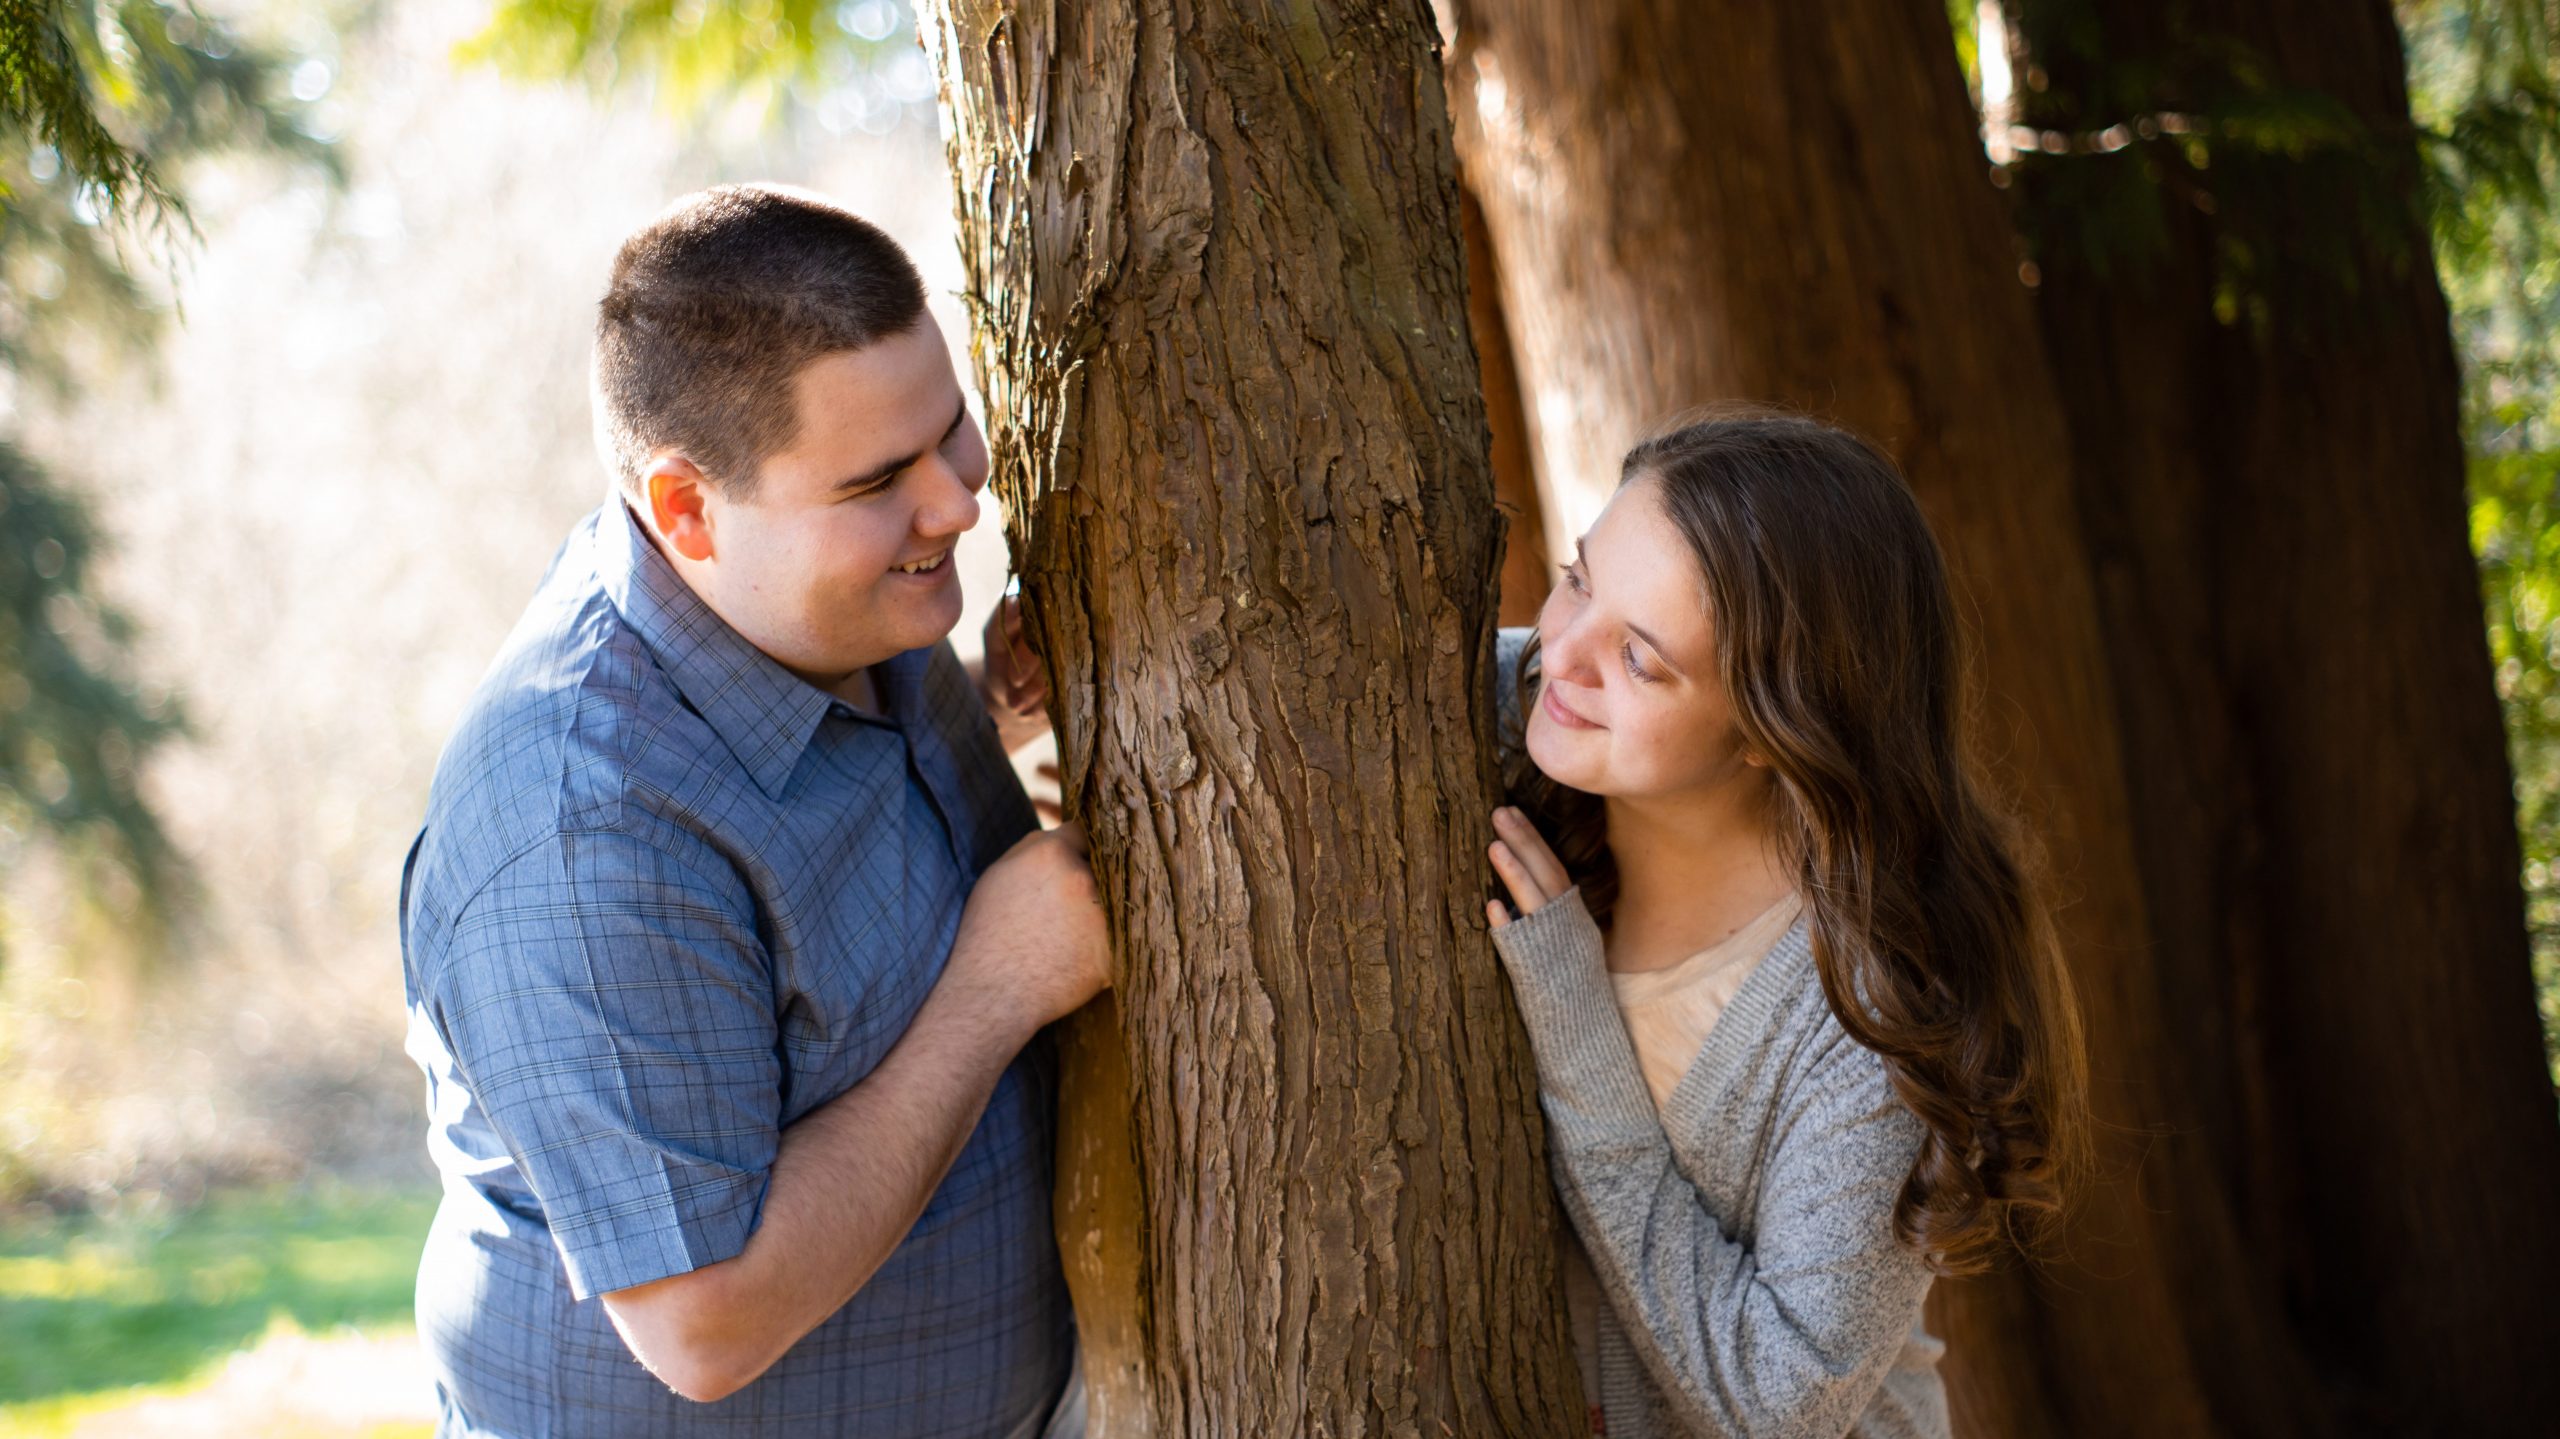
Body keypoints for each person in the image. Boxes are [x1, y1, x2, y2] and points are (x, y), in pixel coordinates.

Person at [398, 184, 1106, 1438]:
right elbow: (701, 1323)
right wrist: (1000, 981)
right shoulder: (580, 834)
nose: (956, 505)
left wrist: (1006, 720)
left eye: (951, 432)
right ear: (686, 512)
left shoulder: (823, 603)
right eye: (882, 479)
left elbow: (838, 869)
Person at [1483, 410, 2089, 1438]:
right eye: (1578, 575)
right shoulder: (1532, 707)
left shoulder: (1871, 1004)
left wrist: (1578, 1026)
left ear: (1776, 722)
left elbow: (1784, 1394)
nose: (1561, 652)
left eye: (1642, 658)